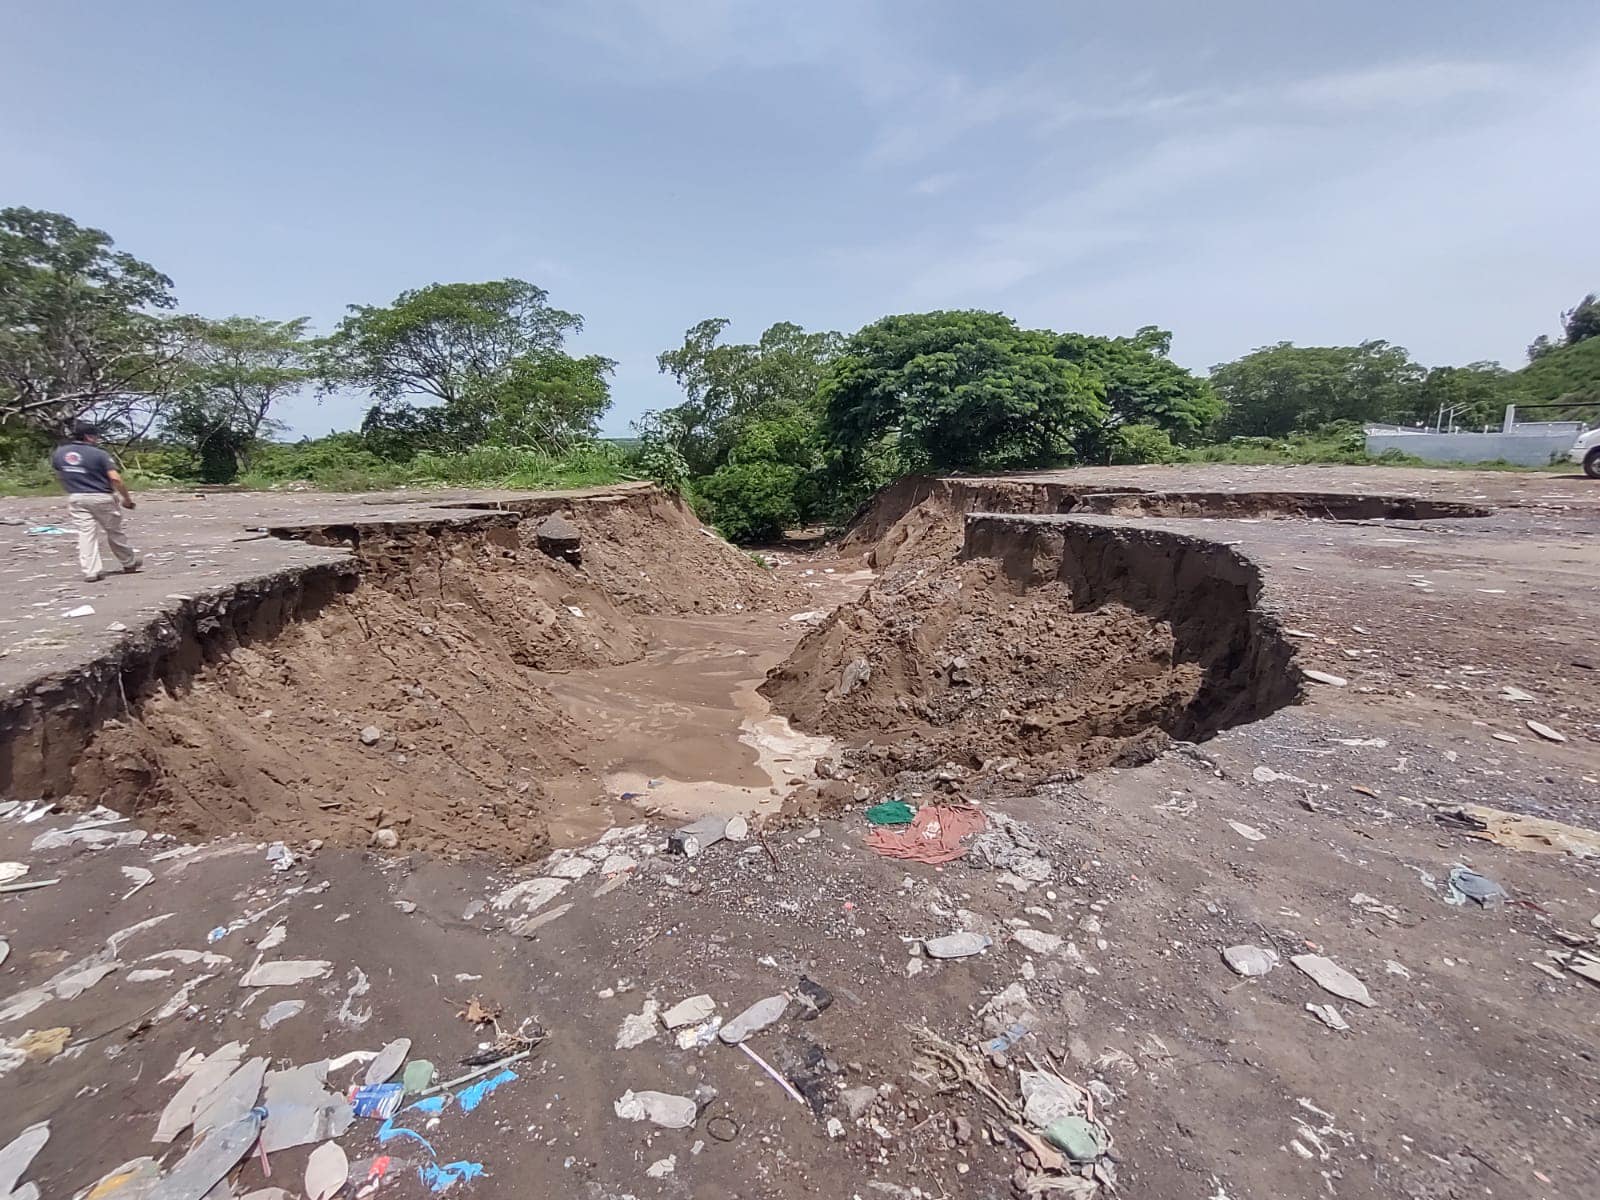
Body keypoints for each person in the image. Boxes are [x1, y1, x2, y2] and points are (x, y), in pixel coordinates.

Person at [50, 422, 143, 583]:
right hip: (101, 496)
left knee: (86, 534)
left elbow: (60, 474)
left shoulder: (60, 453)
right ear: (88, 436)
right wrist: (126, 499)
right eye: (95, 436)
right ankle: (128, 562)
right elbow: (115, 478)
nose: (97, 439)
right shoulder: (99, 454)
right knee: (114, 531)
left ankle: (91, 571)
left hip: (77, 496)